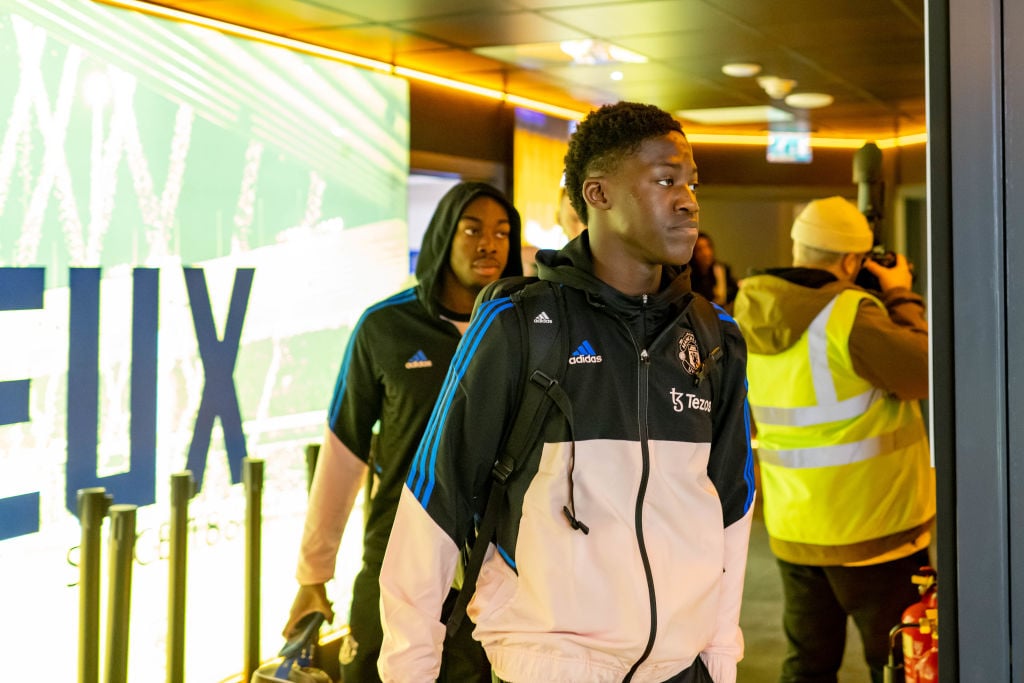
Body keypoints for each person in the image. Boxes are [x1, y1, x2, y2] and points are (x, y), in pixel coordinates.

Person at [378, 101, 755, 683]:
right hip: (550, 666)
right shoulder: (519, 322)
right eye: (665, 180)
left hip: (682, 667)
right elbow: (437, 497)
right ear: (597, 194)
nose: (688, 200)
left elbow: (731, 506)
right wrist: (410, 669)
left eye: (691, 182)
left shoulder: (714, 335)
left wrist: (720, 656)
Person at [284, 181, 523, 682]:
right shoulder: (386, 327)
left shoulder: (522, 331)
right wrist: (314, 573)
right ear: (442, 234)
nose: (489, 243)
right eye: (472, 229)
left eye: (503, 232)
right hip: (395, 554)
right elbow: (343, 450)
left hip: (494, 571)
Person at [732, 196, 934, 683]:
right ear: (850, 261)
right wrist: (902, 294)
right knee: (898, 658)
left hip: (795, 528)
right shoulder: (850, 316)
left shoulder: (748, 310)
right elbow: (927, 371)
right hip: (874, 527)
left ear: (798, 246)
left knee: (808, 663)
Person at [689, 232, 738, 309]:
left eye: (708, 247)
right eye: (700, 249)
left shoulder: (720, 270)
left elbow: (732, 292)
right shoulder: (690, 276)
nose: (706, 253)